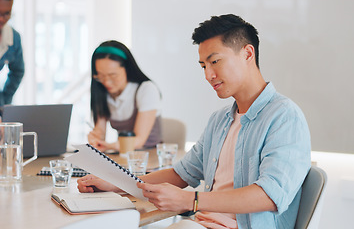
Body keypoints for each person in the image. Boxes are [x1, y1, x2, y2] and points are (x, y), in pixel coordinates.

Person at [78, 14, 311, 229]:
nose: (208, 75)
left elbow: (269, 195)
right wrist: (115, 183)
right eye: (203, 66)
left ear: (248, 54)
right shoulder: (220, 120)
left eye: (215, 62)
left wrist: (191, 199)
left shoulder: (284, 117)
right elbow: (180, 174)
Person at [88, 40, 162, 152]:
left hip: (149, 156)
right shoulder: (102, 92)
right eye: (101, 76)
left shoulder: (146, 89)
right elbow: (100, 132)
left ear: (127, 69)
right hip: (123, 156)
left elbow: (139, 140)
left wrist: (109, 146)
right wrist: (96, 138)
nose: (107, 82)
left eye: (113, 76)